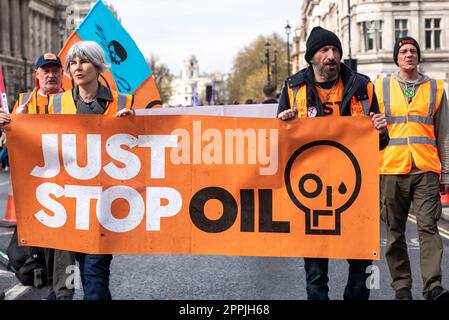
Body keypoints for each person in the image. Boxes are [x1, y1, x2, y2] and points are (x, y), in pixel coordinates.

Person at [0, 41, 134, 300]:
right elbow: (33, 147)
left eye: (83, 62)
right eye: (73, 63)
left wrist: (131, 126)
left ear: (98, 66)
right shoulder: (55, 104)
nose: (77, 67)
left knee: (94, 280)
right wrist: (12, 127)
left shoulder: (121, 102)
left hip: (101, 210)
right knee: (63, 285)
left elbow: (142, 149)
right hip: (65, 209)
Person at [277, 26, 389, 300]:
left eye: (335, 50)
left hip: (355, 189)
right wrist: (284, 125)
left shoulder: (363, 87)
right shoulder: (293, 88)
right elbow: (279, 145)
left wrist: (381, 129)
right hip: (311, 191)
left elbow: (380, 142)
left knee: (362, 264)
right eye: (325, 50)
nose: (332, 56)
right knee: (315, 270)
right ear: (312, 58)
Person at [375, 36, 449, 301]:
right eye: (404, 51)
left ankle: (433, 287)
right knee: (394, 232)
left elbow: (444, 134)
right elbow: (366, 129)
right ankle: (402, 286)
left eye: (413, 51)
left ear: (418, 56)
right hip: (391, 168)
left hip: (426, 169)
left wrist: (447, 172)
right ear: (396, 57)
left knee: (428, 228)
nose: (409, 54)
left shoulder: (436, 88)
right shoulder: (379, 87)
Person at [13, 53, 76, 300]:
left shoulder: (73, 100)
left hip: (68, 183)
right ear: (37, 75)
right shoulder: (23, 102)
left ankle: (64, 292)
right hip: (36, 187)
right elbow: (8, 144)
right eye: (45, 70)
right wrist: (7, 123)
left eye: (55, 70)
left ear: (62, 75)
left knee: (65, 245)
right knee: (43, 245)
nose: (51, 75)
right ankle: (54, 286)